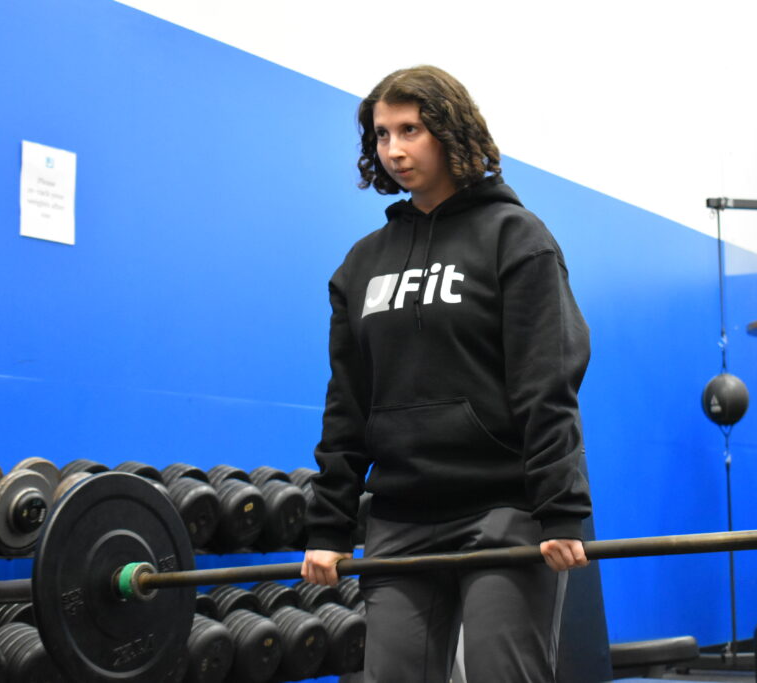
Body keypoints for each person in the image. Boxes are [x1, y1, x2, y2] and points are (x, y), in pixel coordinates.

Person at [301, 65, 598, 682]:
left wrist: (559, 509)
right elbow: (348, 402)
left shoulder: (516, 238)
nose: (394, 150)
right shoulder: (362, 265)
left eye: (410, 130)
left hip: (502, 508)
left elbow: (546, 382)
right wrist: (329, 524)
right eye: (382, 134)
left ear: (451, 131)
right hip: (400, 513)